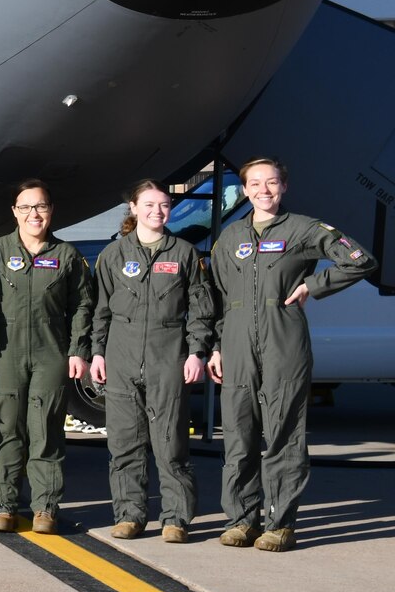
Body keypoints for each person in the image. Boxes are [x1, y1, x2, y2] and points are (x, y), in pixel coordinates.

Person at [207, 158, 379, 551]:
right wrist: (216, 347)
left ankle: (280, 524)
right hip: (235, 345)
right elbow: (217, 297)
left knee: (283, 431)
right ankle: (241, 520)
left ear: (283, 186)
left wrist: (313, 286)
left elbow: (360, 261)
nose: (263, 190)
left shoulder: (303, 228)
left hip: (283, 340)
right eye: (255, 184)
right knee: (238, 434)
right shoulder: (229, 237)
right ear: (244, 190)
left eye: (271, 183)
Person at [90, 180, 217, 542]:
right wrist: (96, 352)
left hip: (168, 356)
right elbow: (100, 310)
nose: (156, 211)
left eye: (163, 205)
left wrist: (196, 352)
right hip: (122, 356)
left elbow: (200, 309)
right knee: (125, 444)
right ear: (133, 208)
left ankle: (176, 518)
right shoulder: (113, 255)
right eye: (148, 204)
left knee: (171, 444)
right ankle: (130, 515)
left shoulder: (184, 254)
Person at [0, 179, 94, 535]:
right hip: (3, 352)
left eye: (41, 206)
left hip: (50, 353)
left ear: (51, 211)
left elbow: (82, 307)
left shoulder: (67, 256)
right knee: (4, 430)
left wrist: (79, 350)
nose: (34, 214)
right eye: (26, 207)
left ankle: (45, 508)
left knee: (46, 432)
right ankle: (3, 505)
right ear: (14, 211)